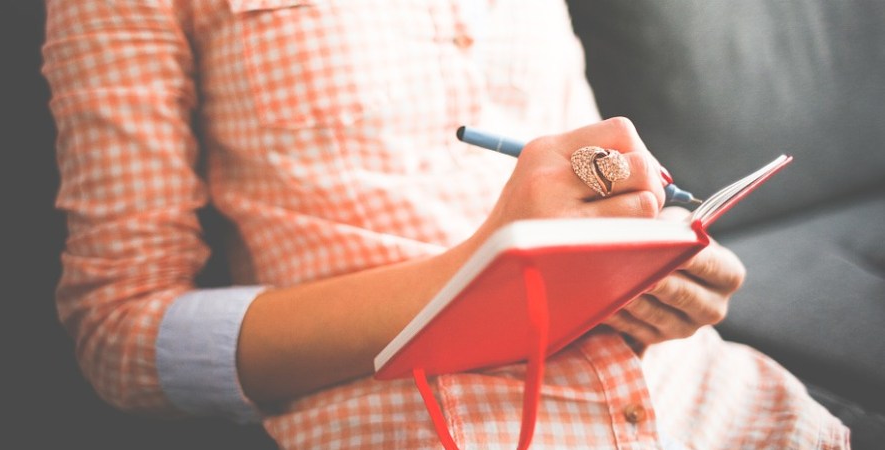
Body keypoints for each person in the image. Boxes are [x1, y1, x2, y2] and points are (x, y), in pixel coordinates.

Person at [41, 0, 849, 448]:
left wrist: (650, 256)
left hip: (717, 405)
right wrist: (482, 271)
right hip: (435, 423)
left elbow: (585, 170)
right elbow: (120, 334)